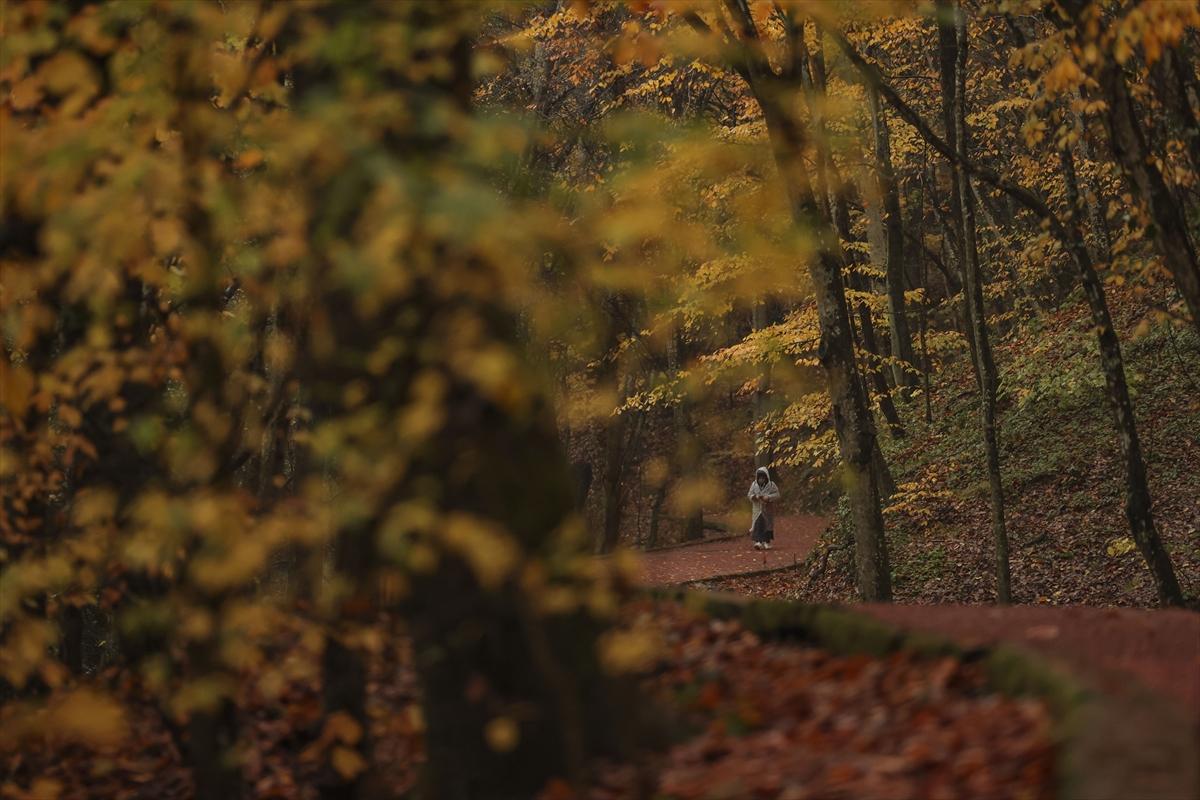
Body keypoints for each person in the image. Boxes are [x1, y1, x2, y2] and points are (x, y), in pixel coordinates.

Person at [748, 466, 780, 550]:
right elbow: (749, 494)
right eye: (759, 478)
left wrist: (768, 497)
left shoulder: (772, 485)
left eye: (763, 478)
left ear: (766, 478)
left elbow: (777, 495)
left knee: (767, 524)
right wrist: (754, 497)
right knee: (758, 524)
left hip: (767, 509)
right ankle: (758, 541)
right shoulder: (754, 485)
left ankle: (766, 541)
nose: (761, 480)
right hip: (757, 509)